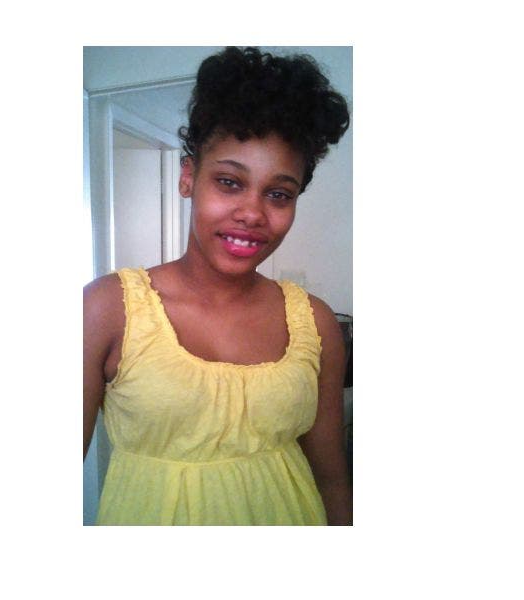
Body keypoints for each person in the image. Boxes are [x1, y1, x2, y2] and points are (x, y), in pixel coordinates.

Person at [84, 47, 352, 525]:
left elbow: (331, 478)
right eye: (229, 182)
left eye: (278, 194)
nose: (252, 213)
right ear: (188, 177)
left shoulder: (316, 323)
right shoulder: (107, 309)